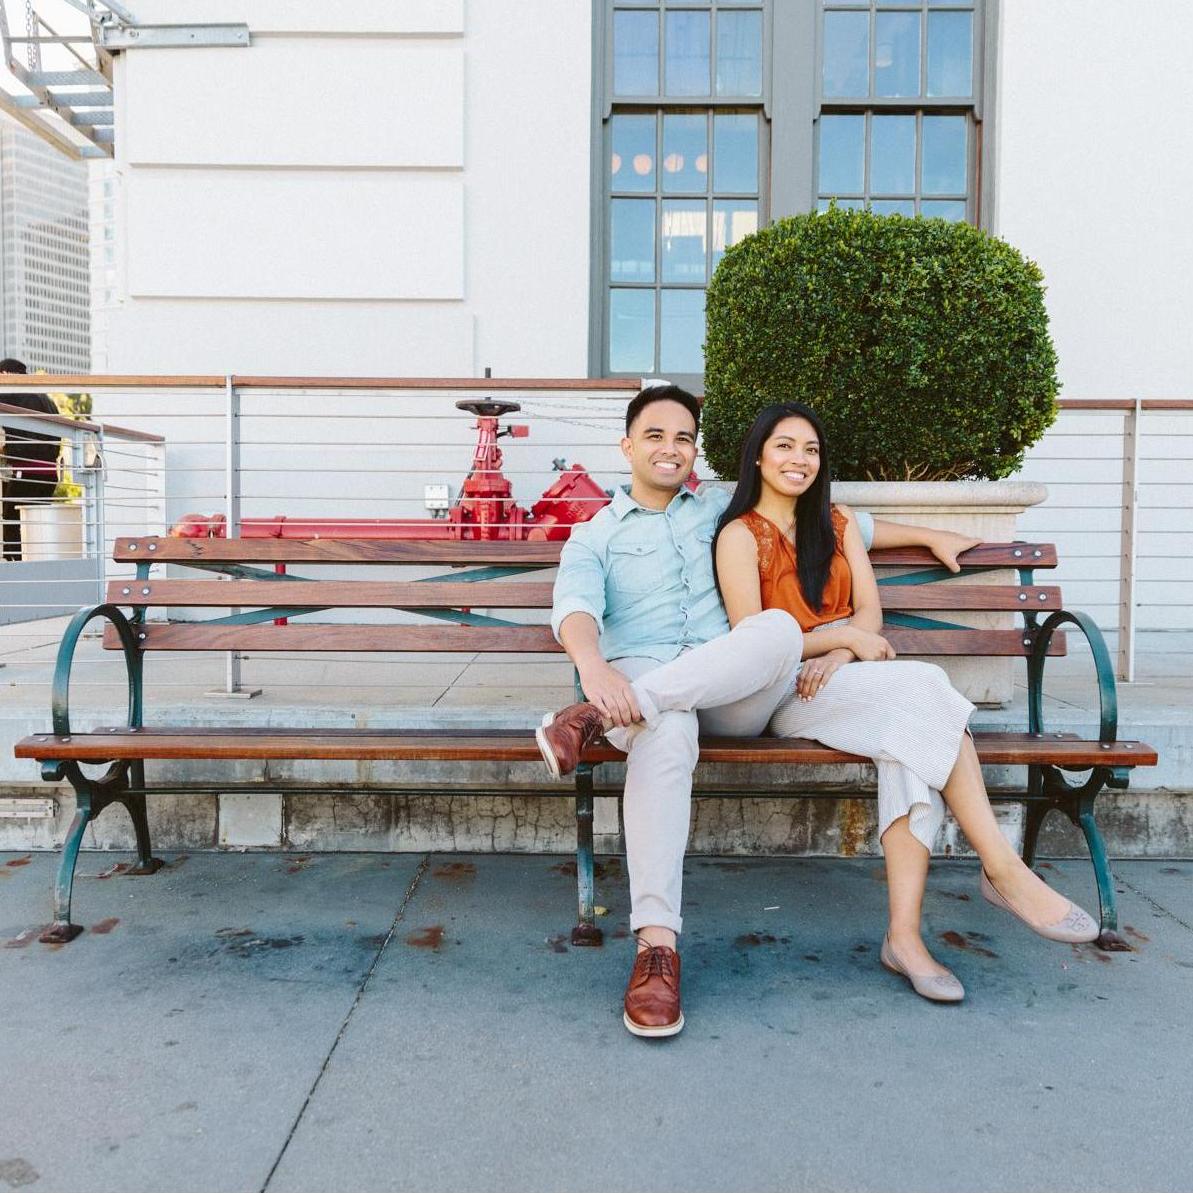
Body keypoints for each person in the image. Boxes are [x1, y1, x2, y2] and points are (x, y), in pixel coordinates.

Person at [536, 385, 987, 1037]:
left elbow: (841, 521)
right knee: (665, 728)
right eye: (655, 435)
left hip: (733, 685)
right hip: (640, 676)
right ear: (627, 445)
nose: (671, 447)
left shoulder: (720, 508)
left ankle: (589, 718)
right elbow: (573, 611)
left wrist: (926, 533)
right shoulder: (593, 535)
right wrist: (595, 669)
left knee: (773, 629)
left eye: (683, 436)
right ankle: (655, 949)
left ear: (696, 448)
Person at [712, 402, 1098, 1003]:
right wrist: (841, 638)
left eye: (810, 449)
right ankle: (1001, 868)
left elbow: (869, 614)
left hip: (848, 678)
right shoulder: (739, 536)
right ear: (758, 456)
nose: (799, 460)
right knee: (923, 689)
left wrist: (843, 650)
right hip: (788, 688)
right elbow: (751, 638)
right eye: (785, 446)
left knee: (909, 741)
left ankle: (905, 939)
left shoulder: (836, 527)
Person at [0, 358, 60, 561]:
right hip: (50, 474)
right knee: (36, 527)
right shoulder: (46, 398)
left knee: (11, 522)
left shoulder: (12, 393)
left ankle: (15, 569)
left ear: (6, 374)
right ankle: (37, 564)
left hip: (26, 471)